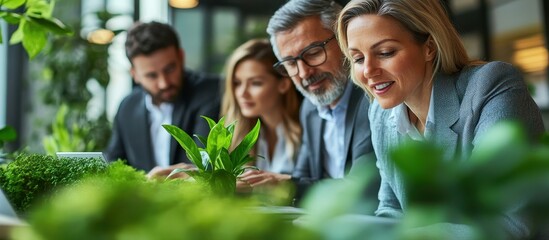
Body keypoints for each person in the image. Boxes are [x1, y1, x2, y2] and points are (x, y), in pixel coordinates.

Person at [336, 0, 545, 238]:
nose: (368, 71)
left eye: (385, 52)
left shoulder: (491, 86)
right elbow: (391, 210)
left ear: (430, 47)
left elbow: (507, 223)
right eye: (358, 59)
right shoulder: (380, 114)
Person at [266, 0, 379, 204]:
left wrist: (288, 186)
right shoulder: (310, 108)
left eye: (313, 53)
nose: (304, 73)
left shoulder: (373, 98)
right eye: (291, 63)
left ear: (345, 40)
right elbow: (302, 178)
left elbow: (364, 189)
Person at [105, 21, 221, 176]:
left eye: (169, 69)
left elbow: (205, 167)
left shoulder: (210, 92)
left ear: (181, 57)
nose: (164, 83)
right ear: (135, 75)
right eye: (152, 75)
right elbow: (113, 163)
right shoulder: (127, 107)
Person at [220, 39, 302, 190]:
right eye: (237, 83)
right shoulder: (240, 135)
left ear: (284, 84)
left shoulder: (307, 131)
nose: (242, 93)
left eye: (255, 83)